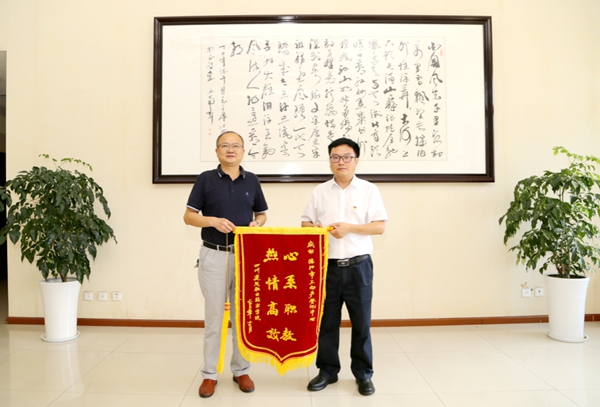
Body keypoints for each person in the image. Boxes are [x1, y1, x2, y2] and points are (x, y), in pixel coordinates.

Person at [301, 137, 388, 396]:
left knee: (361, 323)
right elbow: (305, 223)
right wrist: (315, 229)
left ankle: (363, 374)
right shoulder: (320, 191)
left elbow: (379, 227)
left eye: (347, 157)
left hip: (359, 267)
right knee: (327, 322)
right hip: (326, 268)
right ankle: (328, 371)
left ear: (356, 160)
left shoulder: (369, 190)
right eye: (335, 157)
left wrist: (349, 228)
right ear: (330, 161)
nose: (341, 162)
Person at [184, 130, 268, 398]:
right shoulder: (205, 179)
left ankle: (241, 370)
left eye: (236, 146)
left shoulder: (252, 180)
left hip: (245, 257)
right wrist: (212, 221)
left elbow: (262, 214)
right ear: (217, 151)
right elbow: (189, 216)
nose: (230, 150)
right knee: (214, 319)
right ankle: (210, 374)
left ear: (243, 151)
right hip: (213, 255)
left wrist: (257, 224)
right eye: (224, 145)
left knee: (242, 318)